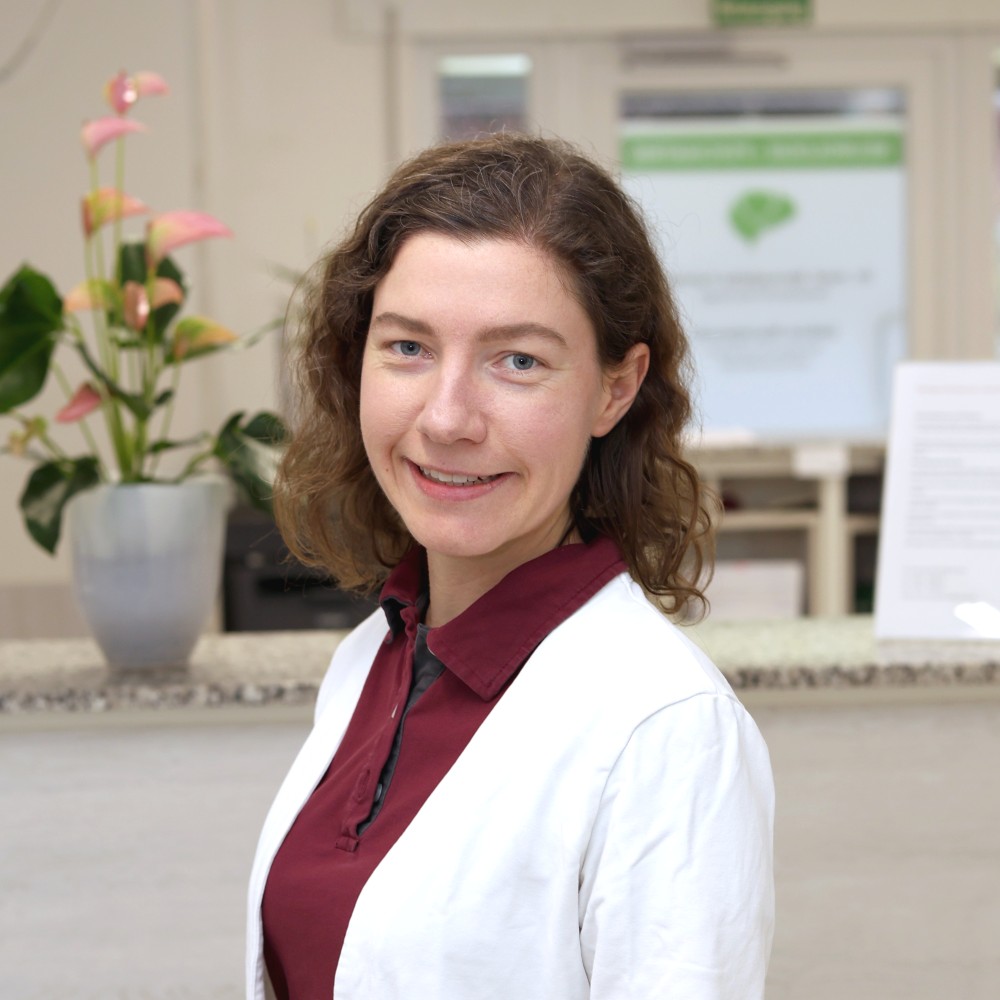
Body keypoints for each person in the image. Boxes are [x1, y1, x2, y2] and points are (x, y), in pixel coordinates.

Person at [246, 133, 774, 1000]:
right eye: (408, 348)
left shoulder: (667, 729)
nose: (447, 418)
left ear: (615, 388)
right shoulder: (373, 658)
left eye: (518, 361)